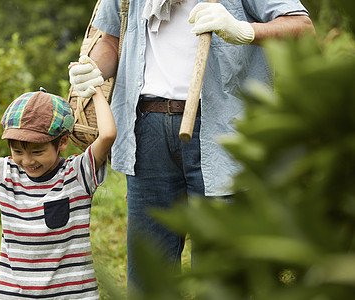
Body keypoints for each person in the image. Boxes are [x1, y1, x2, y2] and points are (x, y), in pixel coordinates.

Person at [69, 0, 315, 292]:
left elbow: (303, 29)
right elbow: (110, 39)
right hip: (146, 129)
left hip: (224, 130)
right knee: (150, 280)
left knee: (221, 275)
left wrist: (243, 30)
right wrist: (93, 67)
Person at [0, 56, 116, 299]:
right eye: (18, 151)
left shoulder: (77, 174)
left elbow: (107, 136)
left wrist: (94, 88)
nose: (27, 161)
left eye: (38, 151)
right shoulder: (3, 172)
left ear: (62, 142)